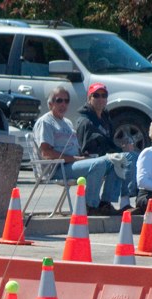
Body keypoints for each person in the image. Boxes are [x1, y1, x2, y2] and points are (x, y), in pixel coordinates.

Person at [32, 85, 124, 216]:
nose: (63, 104)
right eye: (59, 100)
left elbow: (75, 149)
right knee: (99, 164)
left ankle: (105, 204)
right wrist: (76, 159)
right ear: (50, 103)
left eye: (66, 101)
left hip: (73, 164)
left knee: (116, 161)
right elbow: (47, 153)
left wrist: (83, 156)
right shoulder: (45, 122)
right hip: (56, 169)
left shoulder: (68, 123)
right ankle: (90, 206)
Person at [74, 82, 138, 210]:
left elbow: (109, 143)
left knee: (130, 156)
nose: (101, 99)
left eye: (104, 95)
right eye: (96, 95)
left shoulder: (105, 117)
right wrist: (115, 153)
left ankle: (115, 202)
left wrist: (122, 148)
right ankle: (104, 203)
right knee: (123, 159)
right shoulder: (85, 121)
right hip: (91, 160)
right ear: (89, 98)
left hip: (105, 157)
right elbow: (85, 148)